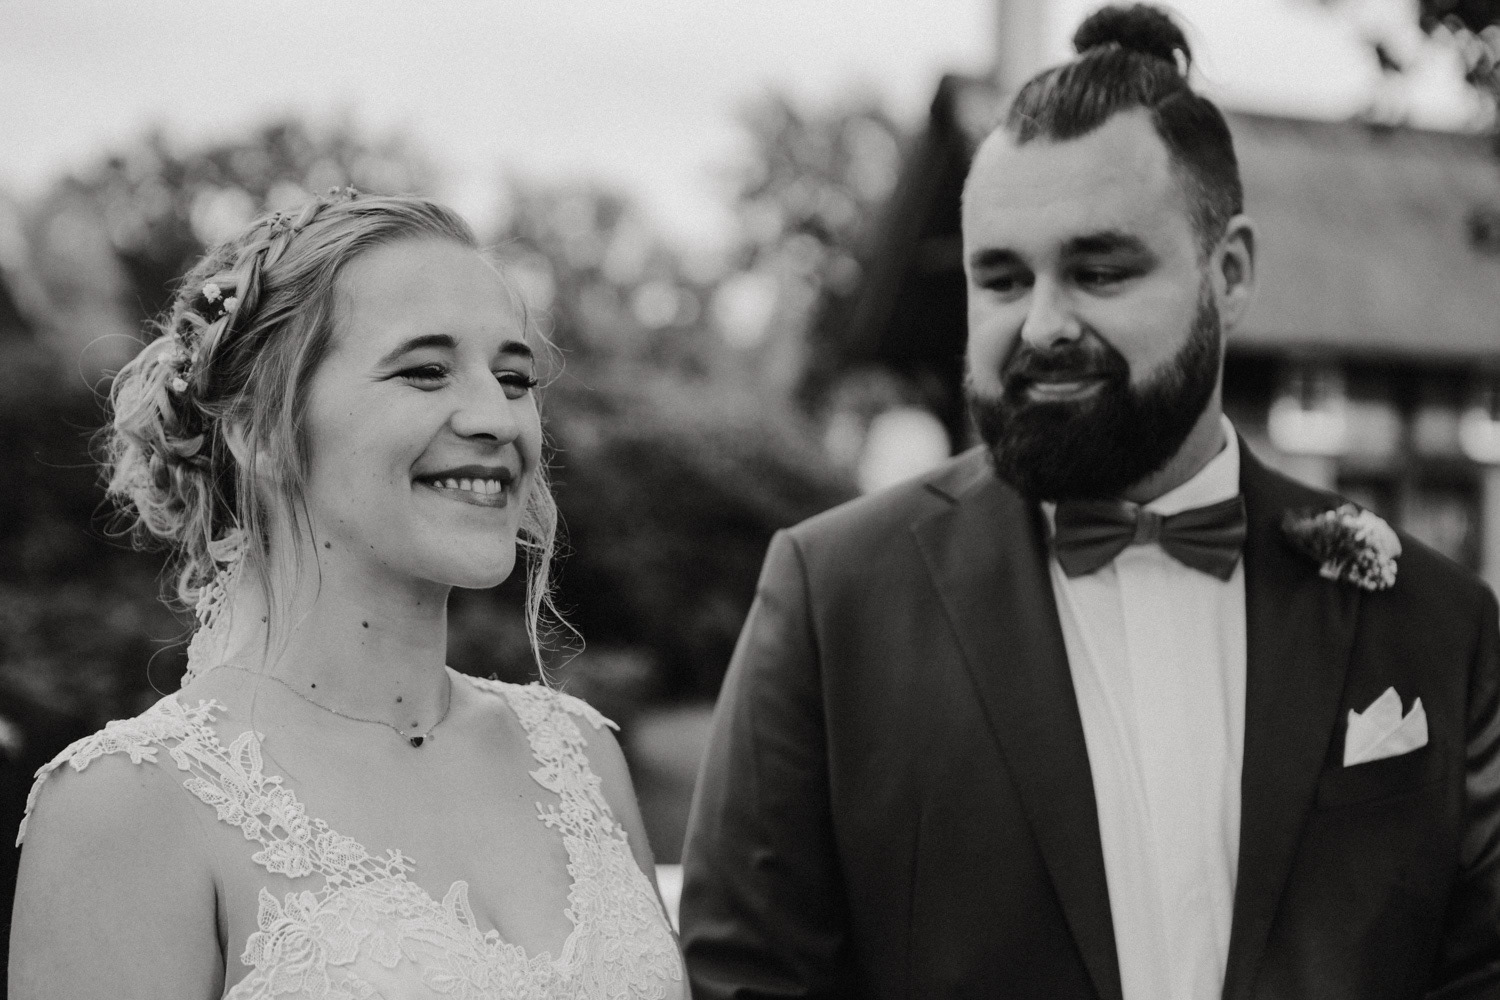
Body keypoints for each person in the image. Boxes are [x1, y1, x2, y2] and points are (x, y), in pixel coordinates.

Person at [679, 7, 1500, 999]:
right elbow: (746, 981)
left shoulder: (1435, 622)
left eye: (1099, 271)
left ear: (1229, 273)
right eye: (1001, 279)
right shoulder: (831, 601)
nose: (1042, 325)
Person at [9, 191, 686, 999]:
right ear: (260, 430)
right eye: (425, 370)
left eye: (514, 378)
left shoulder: (580, 757)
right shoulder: (127, 804)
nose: (499, 419)